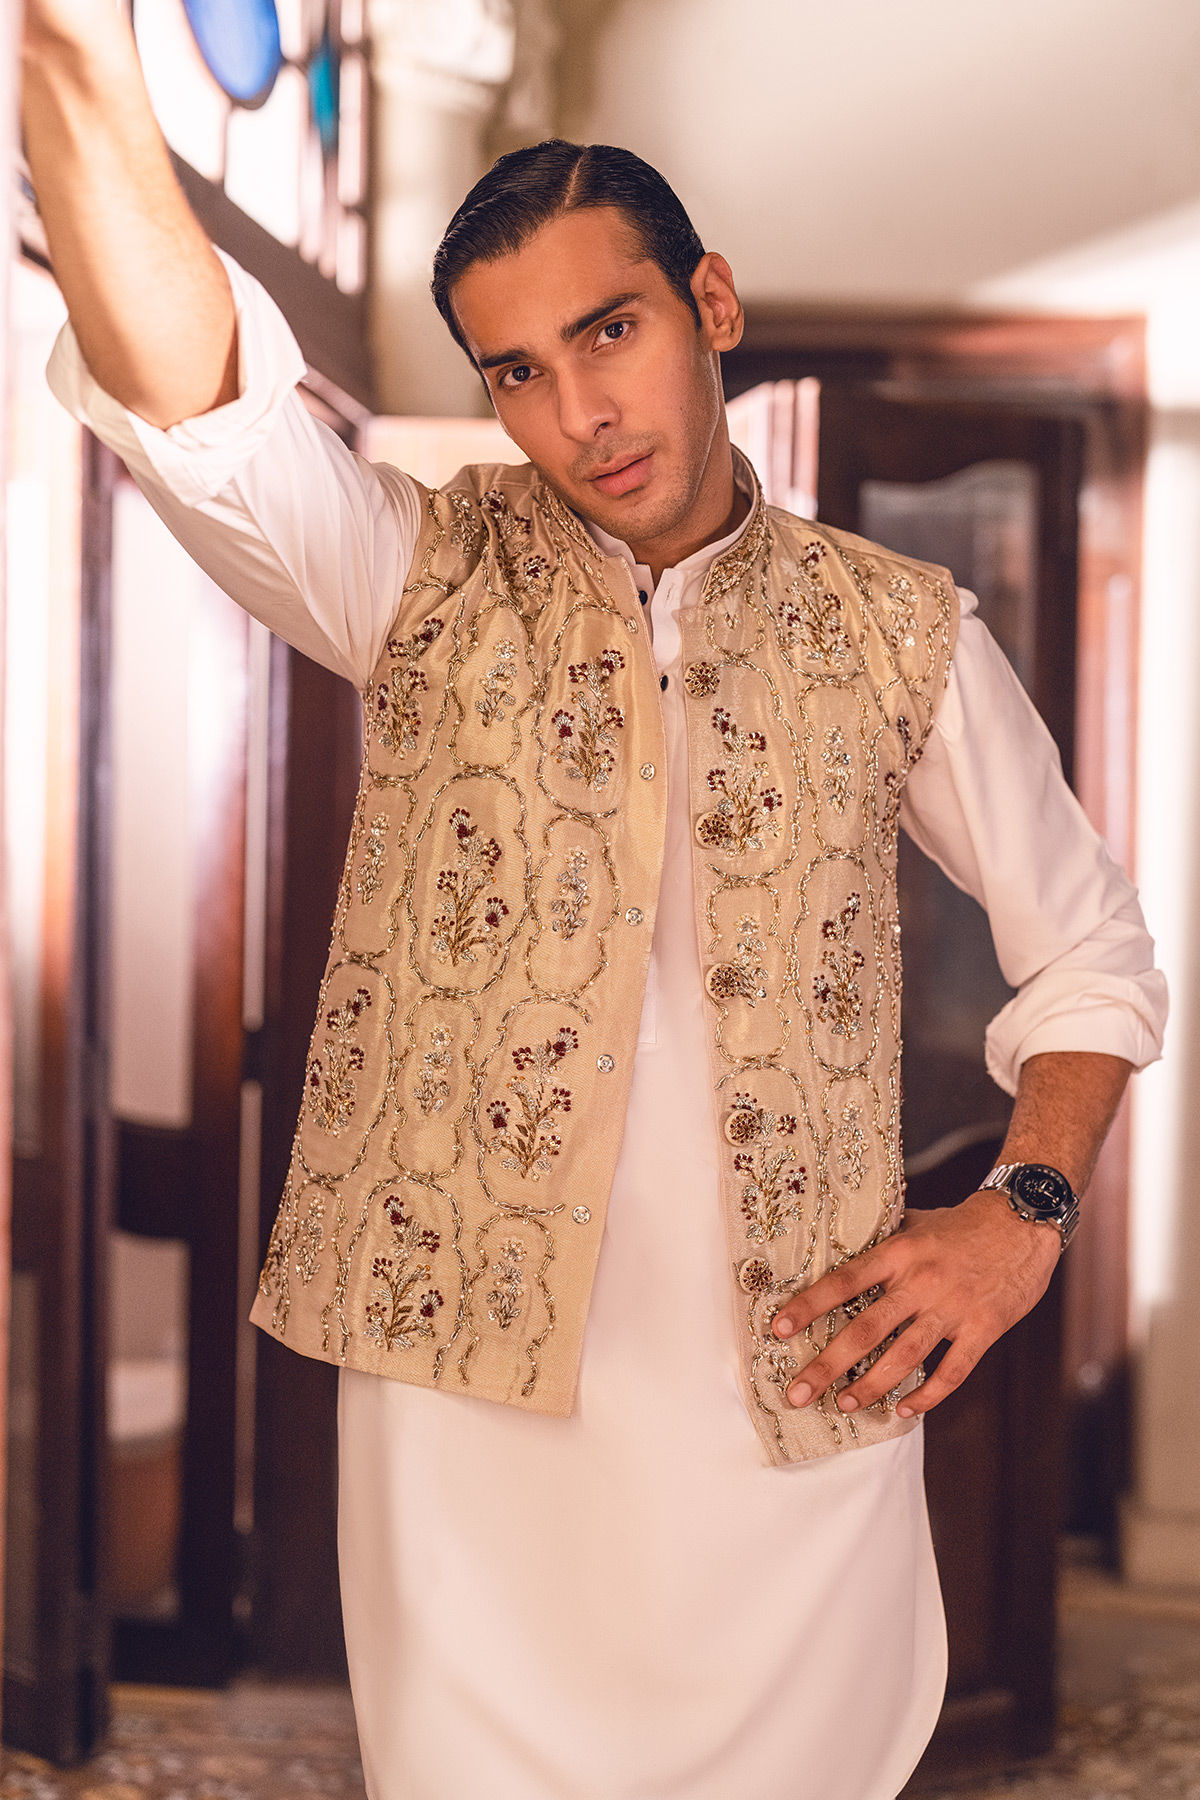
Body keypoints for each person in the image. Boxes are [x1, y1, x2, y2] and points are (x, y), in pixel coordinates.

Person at [23, 7, 1168, 1797]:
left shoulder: (899, 633)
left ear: (711, 303)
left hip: (791, 1390)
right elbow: (196, 405)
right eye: (516, 371)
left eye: (609, 331)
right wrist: (72, 57)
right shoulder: (410, 574)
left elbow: (1092, 947)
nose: (578, 413)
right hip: (467, 1406)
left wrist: (1020, 1217)